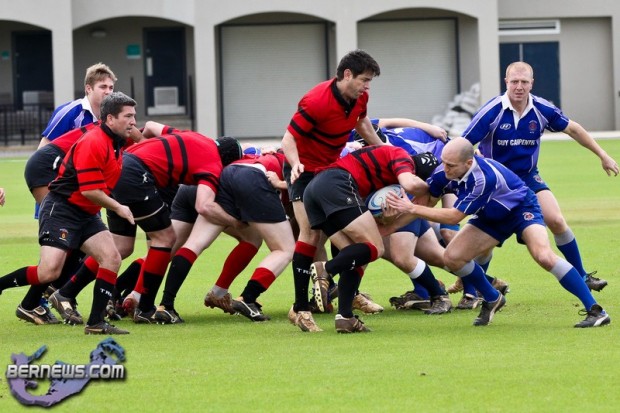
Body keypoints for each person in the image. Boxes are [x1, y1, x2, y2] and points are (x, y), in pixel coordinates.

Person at [386, 137, 611, 328]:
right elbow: (428, 202)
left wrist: (412, 208)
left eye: (451, 165)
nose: (445, 169)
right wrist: (390, 226)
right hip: (491, 216)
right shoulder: (442, 173)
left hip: (521, 209)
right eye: (444, 162)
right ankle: (492, 298)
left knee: (543, 255)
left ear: (469, 162)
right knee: (452, 258)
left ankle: (596, 311)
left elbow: (454, 216)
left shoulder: (483, 178)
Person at [50, 122, 243, 324]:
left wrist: (144, 145)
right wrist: (235, 223)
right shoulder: (214, 164)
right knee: (165, 238)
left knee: (121, 246)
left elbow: (150, 126)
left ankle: (66, 293)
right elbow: (203, 205)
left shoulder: (196, 136)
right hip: (137, 174)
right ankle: (145, 308)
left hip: (119, 165)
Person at [463, 61, 619, 292]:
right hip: (496, 183)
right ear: (506, 82)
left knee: (556, 220)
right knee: (486, 244)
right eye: (514, 81)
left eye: (524, 82)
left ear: (532, 83)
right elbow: (463, 143)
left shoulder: (541, 109)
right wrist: (473, 156)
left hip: (527, 177)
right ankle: (473, 291)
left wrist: (602, 155)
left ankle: (582, 275)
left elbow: (573, 129)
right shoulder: (492, 111)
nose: (519, 86)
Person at [0, 92, 137, 334]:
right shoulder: (94, 141)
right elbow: (89, 190)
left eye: (134, 116)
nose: (133, 121)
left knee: (111, 258)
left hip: (86, 214)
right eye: (128, 116)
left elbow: (142, 136)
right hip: (62, 209)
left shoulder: (117, 140)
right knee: (49, 271)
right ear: (110, 119)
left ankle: (96, 323)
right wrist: (118, 207)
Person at [282, 49, 384, 332]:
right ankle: (301, 309)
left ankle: (347, 304)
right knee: (310, 234)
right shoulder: (316, 101)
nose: (367, 87)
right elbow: (288, 139)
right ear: (347, 74)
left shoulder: (360, 98)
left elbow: (362, 122)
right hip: (303, 172)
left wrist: (382, 150)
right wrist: (296, 163)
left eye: (370, 81)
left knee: (353, 242)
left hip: (331, 173)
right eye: (364, 80)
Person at [303, 144, 436, 333]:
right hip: (336, 183)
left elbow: (371, 216)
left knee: (356, 256)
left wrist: (387, 218)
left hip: (315, 190)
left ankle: (345, 318)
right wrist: (429, 190)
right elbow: (411, 184)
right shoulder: (402, 156)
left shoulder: (385, 175)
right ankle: (326, 268)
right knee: (376, 247)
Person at [154, 150, 295, 323]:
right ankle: (248, 298)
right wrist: (281, 184)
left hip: (226, 176)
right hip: (252, 179)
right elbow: (299, 188)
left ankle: (166, 305)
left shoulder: (263, 155)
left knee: (195, 244)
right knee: (285, 249)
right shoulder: (297, 160)